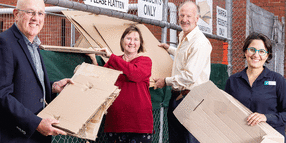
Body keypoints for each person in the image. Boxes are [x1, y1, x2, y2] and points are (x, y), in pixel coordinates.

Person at [0, 0, 74, 142]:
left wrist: (53, 87)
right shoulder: (5, 43)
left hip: (35, 136)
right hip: (16, 136)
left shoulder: (33, 44)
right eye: (30, 12)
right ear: (16, 14)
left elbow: (24, 83)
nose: (36, 18)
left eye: (40, 13)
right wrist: (36, 123)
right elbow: (2, 94)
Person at [153, 1, 212, 143]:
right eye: (182, 15)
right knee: (176, 139)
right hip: (178, 97)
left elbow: (189, 77)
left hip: (191, 99)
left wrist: (165, 81)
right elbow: (185, 56)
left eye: (189, 16)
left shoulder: (199, 42)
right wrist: (170, 49)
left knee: (189, 139)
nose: (184, 19)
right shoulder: (185, 36)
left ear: (197, 18)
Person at [88, 25, 153, 143]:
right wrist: (93, 60)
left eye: (136, 39)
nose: (132, 42)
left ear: (140, 43)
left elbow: (133, 74)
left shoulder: (145, 61)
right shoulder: (113, 61)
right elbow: (101, 81)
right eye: (128, 38)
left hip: (139, 124)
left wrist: (111, 57)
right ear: (122, 41)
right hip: (115, 122)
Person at [224, 33, 286, 141]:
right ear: (245, 51)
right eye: (252, 50)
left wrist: (266, 117)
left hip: (269, 138)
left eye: (262, 51)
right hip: (240, 138)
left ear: (267, 55)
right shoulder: (233, 81)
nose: (256, 55)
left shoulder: (277, 80)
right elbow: (225, 112)